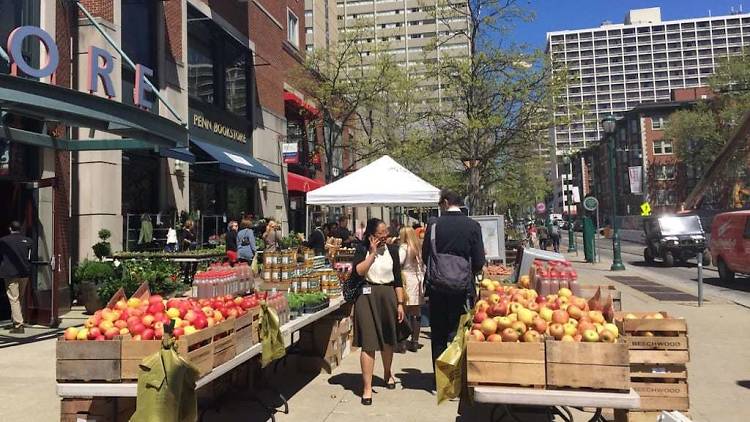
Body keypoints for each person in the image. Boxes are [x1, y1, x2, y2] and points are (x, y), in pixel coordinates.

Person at [422, 190, 485, 365]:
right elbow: (479, 260)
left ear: (446, 202)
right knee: (460, 332)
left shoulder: (434, 225)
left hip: (437, 286)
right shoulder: (472, 226)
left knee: (438, 334)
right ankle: (459, 373)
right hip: (462, 288)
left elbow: (425, 253)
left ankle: (440, 378)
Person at [351, 218, 405, 406]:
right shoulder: (361, 249)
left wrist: (400, 303)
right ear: (372, 235)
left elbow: (398, 279)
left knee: (388, 338)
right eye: (381, 233)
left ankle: (388, 372)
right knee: (369, 341)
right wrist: (372, 253)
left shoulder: (393, 251)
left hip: (388, 295)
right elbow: (358, 271)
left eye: (386, 232)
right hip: (366, 295)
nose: (385, 236)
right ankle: (367, 387)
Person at [0, 221, 33, 333]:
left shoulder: (4, 241)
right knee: (20, 298)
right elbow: (30, 257)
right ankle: (16, 320)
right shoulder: (28, 241)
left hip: (10, 274)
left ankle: (18, 325)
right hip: (24, 274)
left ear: (10, 228)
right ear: (20, 229)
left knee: (14, 299)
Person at [398, 227, 424, 352]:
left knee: (404, 310)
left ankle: (403, 342)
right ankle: (415, 341)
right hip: (417, 279)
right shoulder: (418, 247)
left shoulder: (404, 248)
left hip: (406, 279)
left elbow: (398, 262)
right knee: (416, 311)